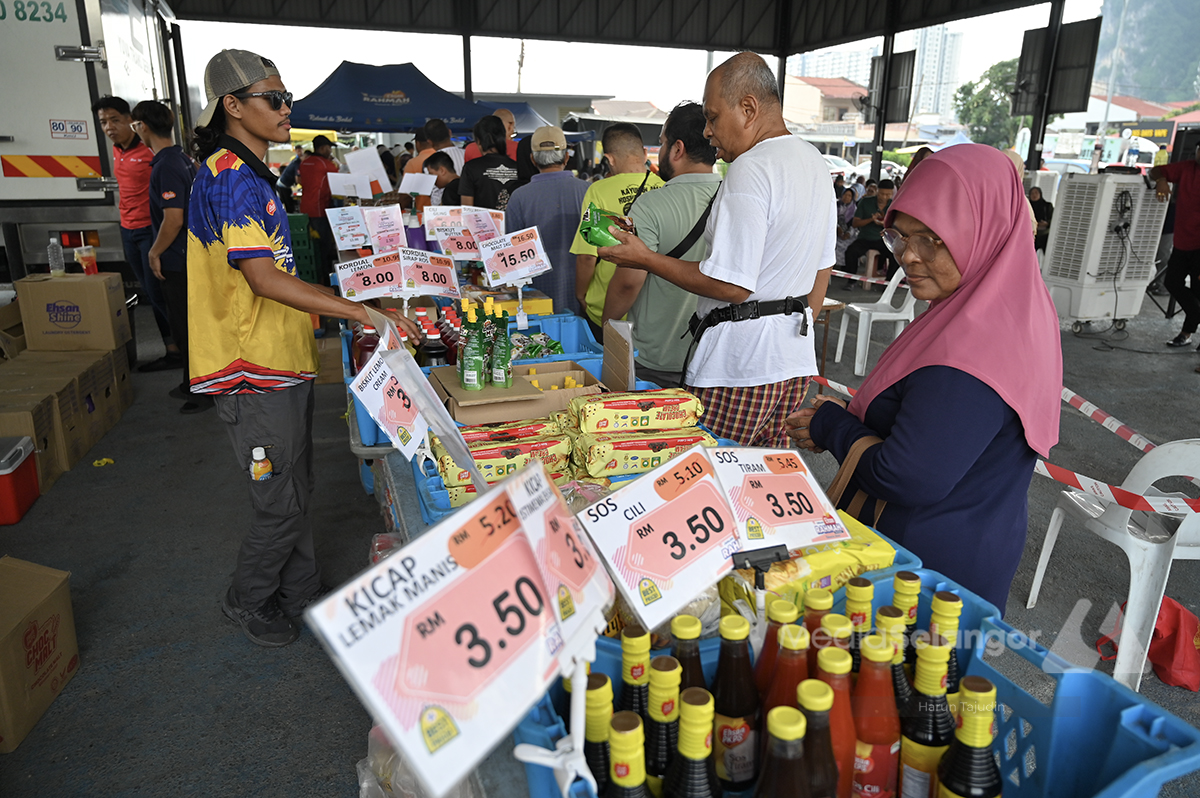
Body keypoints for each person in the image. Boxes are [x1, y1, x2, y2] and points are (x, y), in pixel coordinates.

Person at [187, 50, 421, 647]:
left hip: (279, 360)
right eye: (274, 99)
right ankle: (248, 599)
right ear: (232, 107)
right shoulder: (230, 175)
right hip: (250, 369)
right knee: (280, 502)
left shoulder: (252, 171)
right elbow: (263, 279)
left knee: (293, 490)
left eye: (287, 97)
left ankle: (302, 591)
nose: (287, 109)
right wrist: (363, 310)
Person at [785, 145, 1062, 614]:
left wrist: (830, 424)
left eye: (932, 239)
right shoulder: (1006, 307)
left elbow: (906, 474)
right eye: (900, 237)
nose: (908, 257)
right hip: (967, 543)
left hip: (923, 582)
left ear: (985, 229)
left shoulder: (975, 347)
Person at [597, 53, 832, 446]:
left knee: (707, 476)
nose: (707, 131)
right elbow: (822, 271)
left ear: (748, 108)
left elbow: (731, 285)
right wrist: (787, 336)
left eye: (713, 117)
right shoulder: (813, 161)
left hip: (738, 367)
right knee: (758, 481)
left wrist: (645, 258)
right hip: (794, 363)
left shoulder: (751, 168)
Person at [601, 103, 719, 387]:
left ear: (677, 149)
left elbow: (629, 282)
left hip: (657, 358)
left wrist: (606, 326)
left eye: (662, 143)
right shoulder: (734, 197)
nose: (661, 150)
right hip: (715, 359)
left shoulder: (650, 205)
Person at [129, 100, 211, 415]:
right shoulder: (183, 158)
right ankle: (196, 384)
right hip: (191, 255)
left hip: (179, 259)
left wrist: (154, 251)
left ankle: (200, 391)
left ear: (142, 127)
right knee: (191, 325)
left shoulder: (166, 165)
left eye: (135, 124)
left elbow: (173, 218)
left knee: (185, 327)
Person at [93, 95, 179, 371]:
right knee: (150, 294)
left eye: (115, 120)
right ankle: (173, 349)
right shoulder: (118, 150)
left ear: (132, 121)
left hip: (149, 232)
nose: (109, 127)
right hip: (127, 230)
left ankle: (184, 352)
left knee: (159, 294)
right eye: (104, 122)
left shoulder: (150, 152)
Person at [570, 123, 665, 341]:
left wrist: (581, 296)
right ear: (643, 153)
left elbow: (586, 256)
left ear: (609, 159)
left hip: (606, 308)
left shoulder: (598, 190)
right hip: (653, 309)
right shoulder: (665, 187)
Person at [505, 126, 589, 316]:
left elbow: (513, 259)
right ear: (567, 157)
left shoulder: (519, 197)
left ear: (533, 159)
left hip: (536, 304)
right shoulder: (589, 191)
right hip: (584, 300)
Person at [1152, 142, 1200, 354]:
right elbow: (1156, 170)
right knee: (1172, 282)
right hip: (1182, 242)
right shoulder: (1188, 168)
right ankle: (1194, 317)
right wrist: (1162, 179)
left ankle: (1187, 332)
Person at [298, 134, 340, 276]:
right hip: (320, 211)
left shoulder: (304, 162)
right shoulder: (326, 164)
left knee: (312, 247)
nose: (330, 151)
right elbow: (339, 183)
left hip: (304, 209)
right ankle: (326, 279)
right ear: (322, 148)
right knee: (324, 248)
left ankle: (315, 275)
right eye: (329, 148)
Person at [458, 115, 519, 210]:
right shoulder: (518, 167)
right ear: (503, 137)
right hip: (512, 224)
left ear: (478, 141)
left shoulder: (471, 168)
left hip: (482, 224)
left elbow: (467, 210)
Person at [843, 178, 896, 281]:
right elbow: (855, 223)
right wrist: (871, 219)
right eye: (882, 194)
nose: (884, 197)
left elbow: (897, 227)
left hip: (884, 240)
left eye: (888, 194)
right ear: (877, 191)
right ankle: (851, 281)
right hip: (865, 238)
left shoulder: (893, 205)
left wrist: (884, 223)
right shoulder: (865, 202)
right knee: (850, 252)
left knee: (896, 256)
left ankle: (888, 283)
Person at [834, 187, 858, 269]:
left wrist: (848, 234)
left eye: (849, 196)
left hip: (849, 234)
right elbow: (832, 219)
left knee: (849, 245)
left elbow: (854, 225)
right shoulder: (835, 206)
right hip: (835, 233)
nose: (846, 197)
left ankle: (845, 267)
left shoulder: (854, 209)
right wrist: (838, 229)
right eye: (845, 194)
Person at [276, 144, 305, 213]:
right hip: (283, 185)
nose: (300, 152)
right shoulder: (297, 162)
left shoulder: (296, 160)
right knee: (289, 207)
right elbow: (297, 178)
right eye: (298, 151)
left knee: (288, 204)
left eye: (300, 150)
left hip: (283, 184)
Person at [1029, 186, 1053, 252]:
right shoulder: (1027, 207)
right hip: (1031, 234)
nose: (1034, 195)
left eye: (1036, 193)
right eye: (1032, 193)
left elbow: (1053, 219)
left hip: (1044, 234)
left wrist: (1047, 224)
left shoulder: (1047, 206)